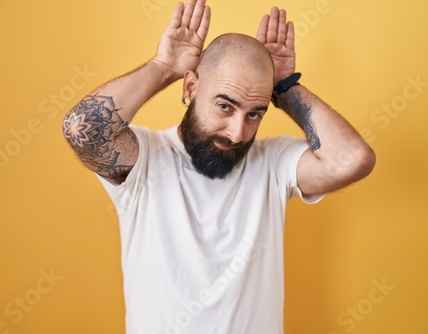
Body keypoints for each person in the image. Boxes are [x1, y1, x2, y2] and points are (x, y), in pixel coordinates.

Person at [62, 0, 376, 333]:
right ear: (191, 87)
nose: (237, 132)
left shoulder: (273, 163)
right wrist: (164, 66)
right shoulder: (146, 159)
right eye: (226, 106)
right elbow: (82, 128)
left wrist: (284, 87)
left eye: (255, 113)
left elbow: (353, 159)